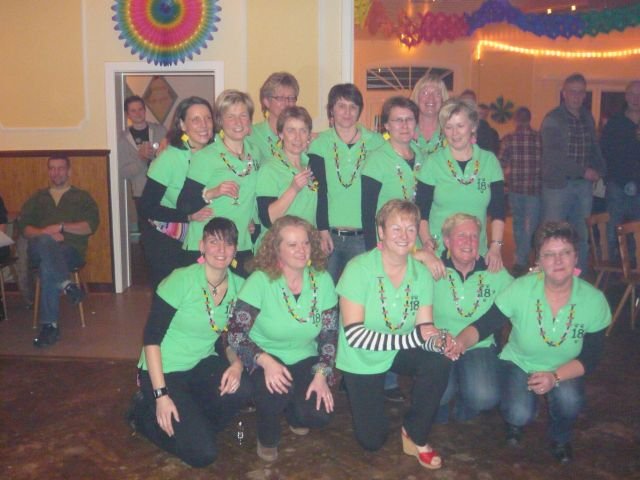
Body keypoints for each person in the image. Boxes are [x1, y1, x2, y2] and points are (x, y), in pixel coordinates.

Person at [448, 221, 611, 464]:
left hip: (564, 368)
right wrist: (460, 342)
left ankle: (560, 437)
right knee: (518, 412)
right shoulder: (522, 288)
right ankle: (515, 421)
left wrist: (555, 377)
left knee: (570, 401)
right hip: (520, 363)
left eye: (565, 252)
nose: (558, 261)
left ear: (576, 257)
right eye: (549, 254)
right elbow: (485, 324)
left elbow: (592, 356)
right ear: (539, 260)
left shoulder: (594, 300)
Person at [336, 200, 451, 470]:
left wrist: (440, 342)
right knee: (372, 441)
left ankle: (416, 433)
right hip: (361, 356)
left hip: (397, 347)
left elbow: (424, 329)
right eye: (396, 228)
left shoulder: (421, 274)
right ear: (381, 231)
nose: (404, 235)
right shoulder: (358, 268)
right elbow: (355, 336)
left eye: (410, 229)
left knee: (439, 361)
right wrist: (414, 339)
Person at [129, 218, 251, 467]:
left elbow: (228, 338)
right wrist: (161, 395)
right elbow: (151, 339)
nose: (221, 249)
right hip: (163, 370)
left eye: (228, 243)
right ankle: (142, 415)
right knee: (202, 454)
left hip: (200, 364)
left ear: (235, 250)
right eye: (214, 242)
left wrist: (237, 365)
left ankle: (194, 425)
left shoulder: (240, 287)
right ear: (202, 246)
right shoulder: (181, 280)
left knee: (243, 387)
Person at [227, 216, 337, 462]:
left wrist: (321, 374)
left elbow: (329, 336)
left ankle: (295, 410)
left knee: (318, 415)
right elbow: (235, 333)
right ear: (276, 248)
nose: (301, 250)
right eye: (292, 244)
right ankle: (267, 436)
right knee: (274, 394)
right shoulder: (260, 280)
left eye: (305, 243)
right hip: (265, 355)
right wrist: (265, 361)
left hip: (304, 355)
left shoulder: (323, 280)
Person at [434, 213, 513, 422]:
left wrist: (539, 277)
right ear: (447, 241)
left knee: (484, 397)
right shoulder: (433, 268)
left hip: (479, 344)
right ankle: (441, 401)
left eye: (474, 236)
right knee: (438, 393)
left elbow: (521, 295)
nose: (469, 242)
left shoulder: (494, 271)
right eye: (461, 236)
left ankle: (466, 399)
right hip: (439, 342)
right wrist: (423, 255)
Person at [415, 98, 506, 280]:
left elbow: (498, 211)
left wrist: (496, 247)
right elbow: (421, 213)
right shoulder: (433, 163)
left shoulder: (489, 161)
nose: (454, 133)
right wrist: (427, 245)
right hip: (438, 253)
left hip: (474, 251)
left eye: (460, 126)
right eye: (448, 127)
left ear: (473, 126)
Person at [18, 155, 99, 347]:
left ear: (69, 171)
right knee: (45, 244)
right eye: (52, 168)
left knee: (48, 268)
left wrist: (61, 227)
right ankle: (66, 284)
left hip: (70, 251)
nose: (56, 172)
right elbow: (24, 228)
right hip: (39, 249)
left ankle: (50, 326)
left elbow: (90, 226)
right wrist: (46, 234)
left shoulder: (82, 197)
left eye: (60, 168)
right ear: (48, 171)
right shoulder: (38, 198)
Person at [178, 90, 259, 278]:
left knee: (242, 296)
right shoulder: (206, 156)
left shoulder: (255, 153)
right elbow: (184, 204)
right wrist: (213, 192)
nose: (238, 122)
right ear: (220, 121)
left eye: (243, 115)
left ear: (250, 120)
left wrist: (253, 219)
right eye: (230, 116)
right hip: (207, 247)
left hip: (241, 244)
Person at [308, 83, 384, 282]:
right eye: (341, 106)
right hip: (329, 235)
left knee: (360, 292)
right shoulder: (319, 144)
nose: (347, 112)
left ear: (359, 111)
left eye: (353, 107)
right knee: (325, 291)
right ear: (331, 110)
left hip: (364, 235)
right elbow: (319, 190)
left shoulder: (377, 143)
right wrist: (322, 230)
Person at [138, 96, 215, 289]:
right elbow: (146, 207)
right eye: (195, 119)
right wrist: (187, 216)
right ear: (182, 125)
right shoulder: (170, 157)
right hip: (167, 240)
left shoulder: (217, 154)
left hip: (203, 238)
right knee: (171, 296)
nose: (204, 125)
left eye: (208, 118)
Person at [540, 73, 606, 275]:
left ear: (585, 94)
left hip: (583, 186)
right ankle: (549, 279)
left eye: (580, 92)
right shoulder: (553, 119)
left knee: (581, 237)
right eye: (572, 91)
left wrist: (601, 169)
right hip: (558, 186)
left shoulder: (587, 117)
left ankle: (579, 280)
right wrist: (584, 171)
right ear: (564, 93)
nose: (577, 96)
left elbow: (593, 147)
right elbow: (554, 155)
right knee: (552, 236)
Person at [361, 96, 426, 251]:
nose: (404, 125)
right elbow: (368, 213)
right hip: (387, 245)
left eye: (409, 119)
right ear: (386, 125)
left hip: (416, 243)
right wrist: (373, 250)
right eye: (398, 120)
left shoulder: (424, 158)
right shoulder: (376, 160)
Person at [256, 106, 317, 239]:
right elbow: (268, 219)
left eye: (303, 131)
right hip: (277, 245)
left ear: (309, 135)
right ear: (281, 134)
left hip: (305, 243)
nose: (297, 137)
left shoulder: (310, 166)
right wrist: (293, 189)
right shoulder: (270, 168)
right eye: (291, 130)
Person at [500, 106, 542, 274]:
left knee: (518, 224)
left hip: (515, 188)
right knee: (530, 226)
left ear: (515, 120)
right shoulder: (540, 138)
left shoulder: (509, 139)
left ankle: (520, 258)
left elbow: (501, 162)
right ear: (530, 119)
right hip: (534, 189)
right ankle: (523, 257)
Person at [601, 80, 640, 259]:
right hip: (617, 185)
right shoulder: (615, 123)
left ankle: (636, 271)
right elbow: (605, 151)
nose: (636, 99)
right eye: (632, 94)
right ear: (626, 96)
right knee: (613, 232)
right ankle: (612, 269)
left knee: (637, 235)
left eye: (639, 95)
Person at [117, 95, 167, 228]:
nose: (138, 113)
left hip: (163, 188)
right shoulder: (122, 138)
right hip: (141, 191)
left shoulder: (160, 131)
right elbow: (124, 172)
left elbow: (170, 158)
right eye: (133, 111)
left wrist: (156, 155)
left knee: (165, 227)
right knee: (146, 228)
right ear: (128, 114)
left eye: (140, 109)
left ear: (145, 110)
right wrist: (141, 159)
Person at [248, 72, 300, 166]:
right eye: (280, 98)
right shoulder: (251, 135)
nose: (287, 103)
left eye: (291, 98)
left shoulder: (300, 136)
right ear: (266, 102)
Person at [410, 73, 448, 157]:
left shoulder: (450, 132)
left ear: (443, 99)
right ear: (417, 97)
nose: (431, 98)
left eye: (437, 93)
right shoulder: (405, 130)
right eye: (425, 93)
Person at [459, 90, 499, 155]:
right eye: (464, 103)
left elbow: (486, 151)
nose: (467, 106)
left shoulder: (482, 126)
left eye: (470, 103)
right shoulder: (454, 123)